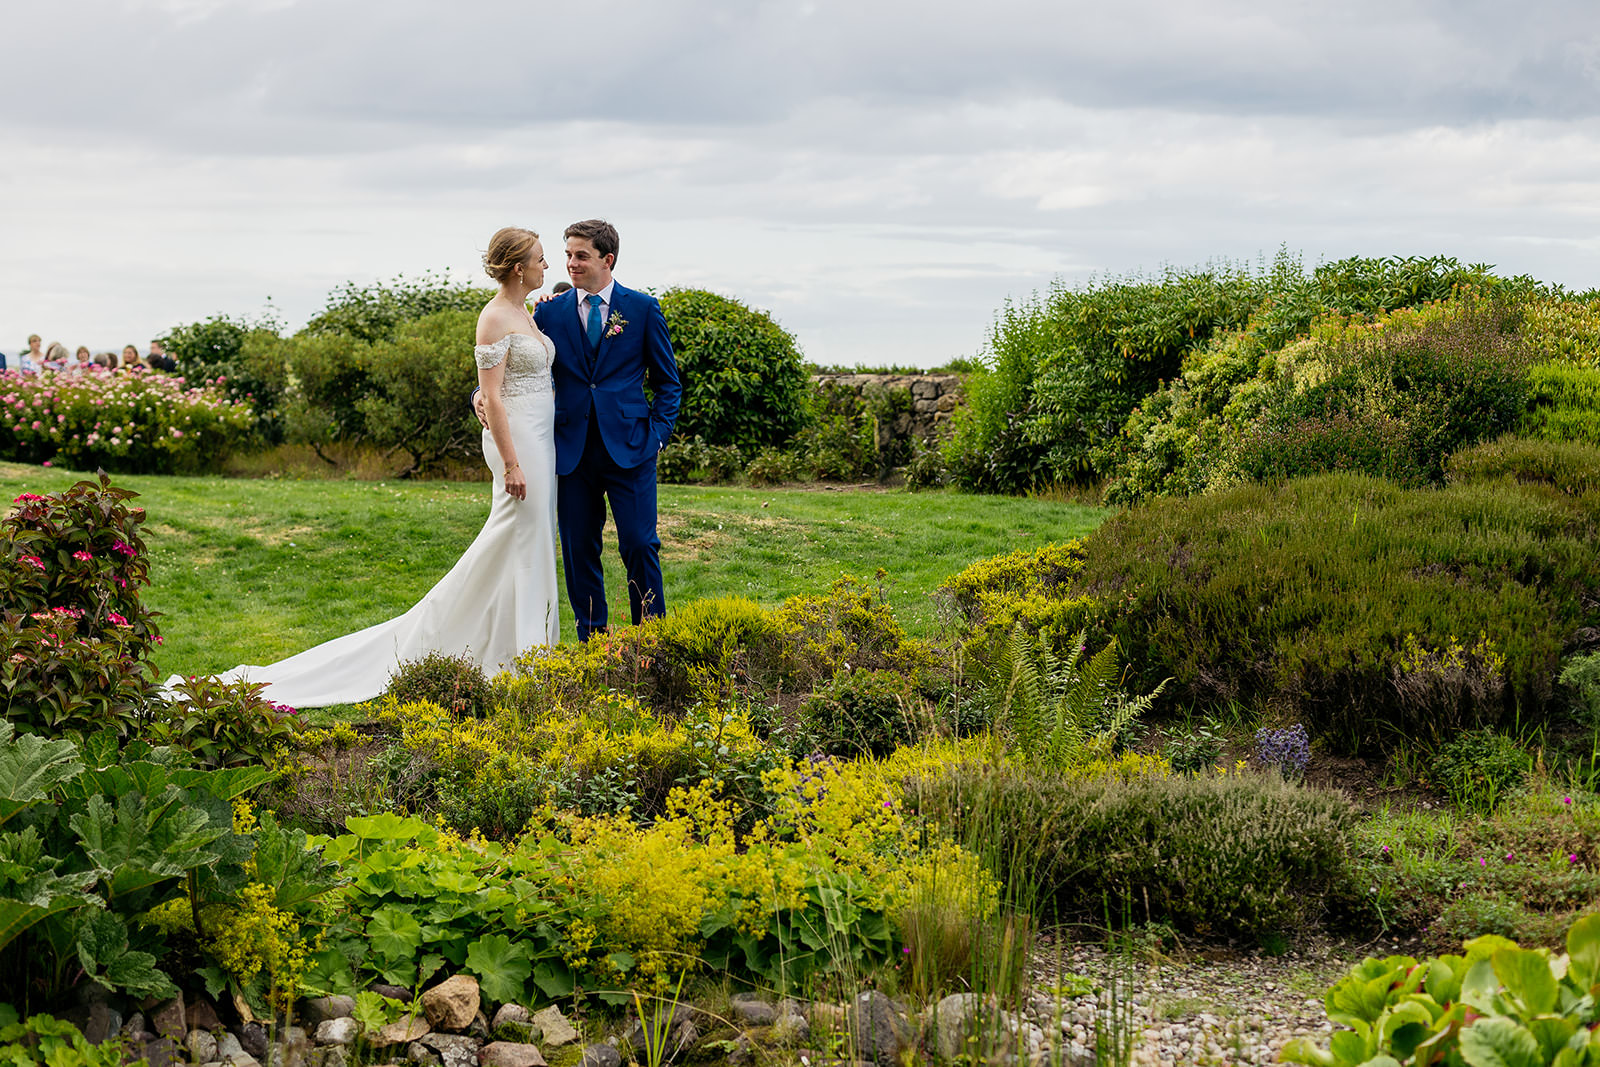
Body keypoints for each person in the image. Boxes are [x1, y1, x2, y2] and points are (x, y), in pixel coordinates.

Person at [174, 227, 563, 708]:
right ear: (518, 267)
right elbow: (493, 396)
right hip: (517, 445)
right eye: (542, 260)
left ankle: (517, 648)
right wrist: (510, 462)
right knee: (520, 538)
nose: (549, 267)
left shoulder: (527, 312)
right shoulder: (493, 318)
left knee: (531, 539)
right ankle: (518, 653)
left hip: (541, 440)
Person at [476, 219, 681, 641]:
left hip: (631, 448)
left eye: (580, 255)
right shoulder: (548, 310)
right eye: (567, 254)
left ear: (607, 260)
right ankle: (594, 643)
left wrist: (657, 436)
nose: (570, 263)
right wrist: (478, 394)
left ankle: (653, 641)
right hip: (568, 451)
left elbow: (668, 383)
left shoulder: (643, 310)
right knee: (578, 550)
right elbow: (512, 362)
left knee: (640, 545)